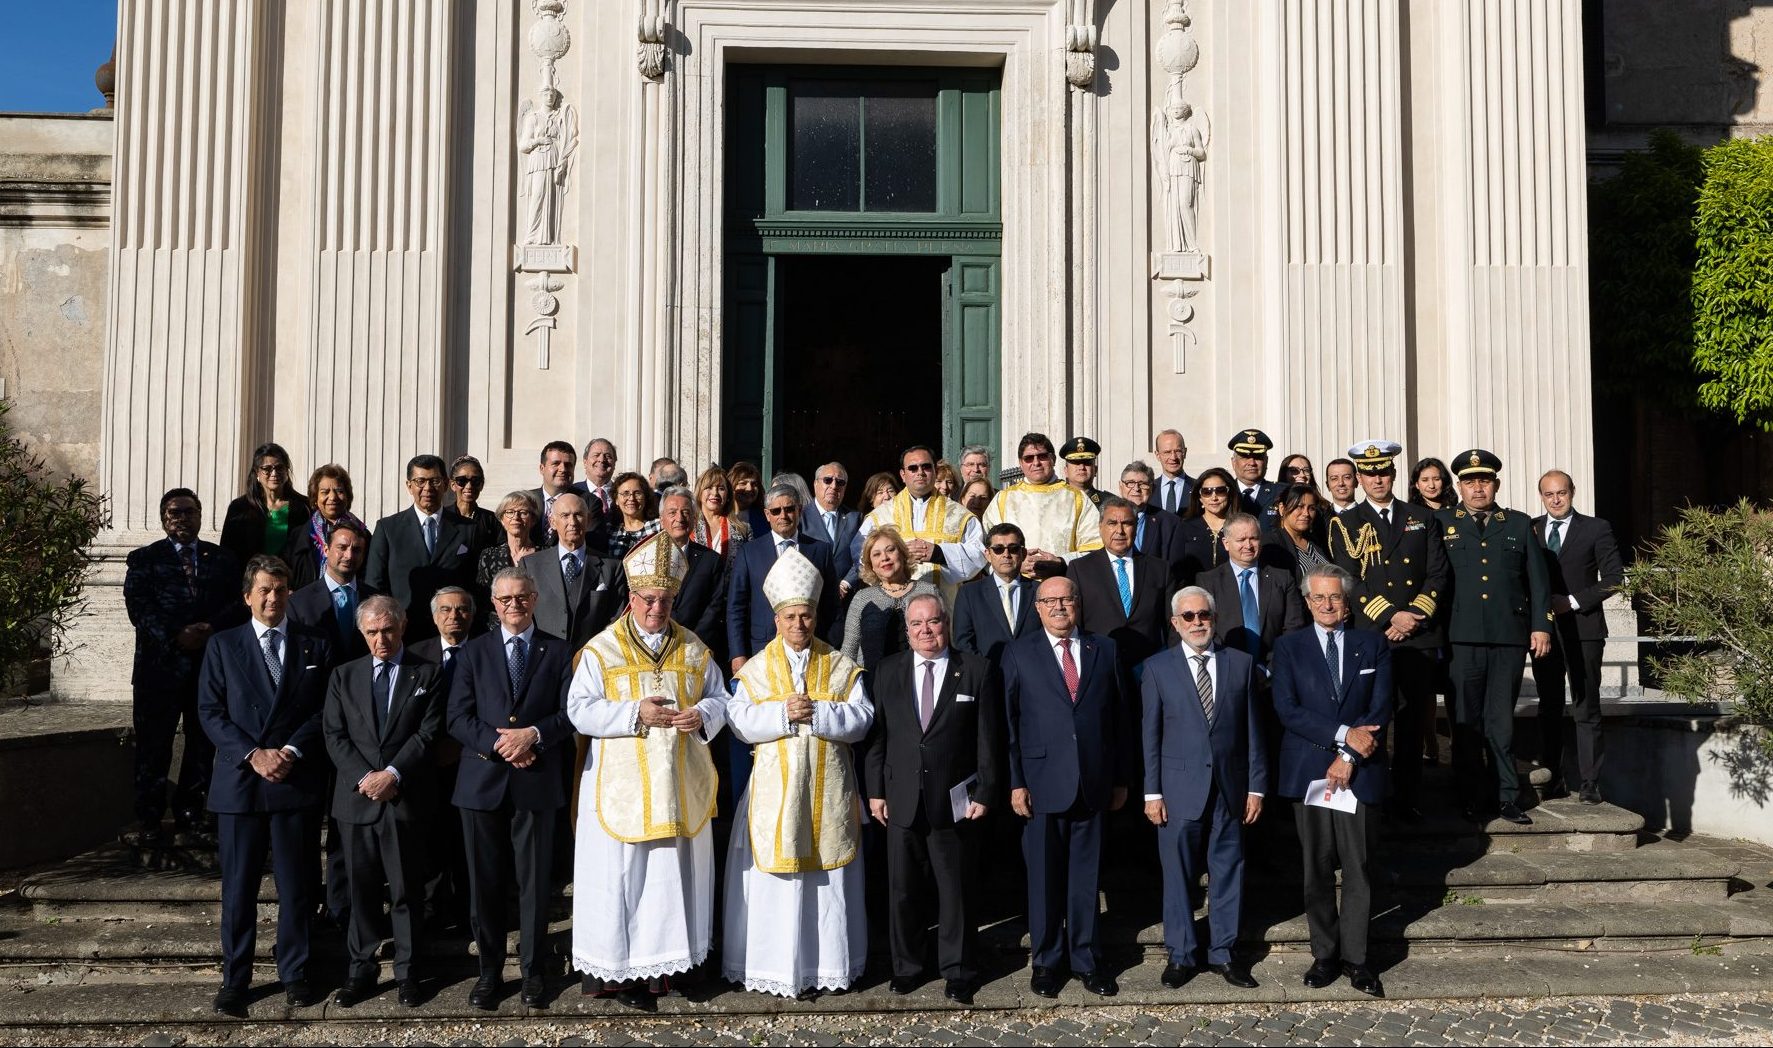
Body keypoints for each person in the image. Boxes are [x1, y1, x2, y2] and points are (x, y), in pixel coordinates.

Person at [565, 533, 729, 1009]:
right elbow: (579, 710)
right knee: (624, 877)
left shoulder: (695, 650)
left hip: (678, 782)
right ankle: (619, 975)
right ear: (631, 598)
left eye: (666, 600)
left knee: (671, 877)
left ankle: (667, 971)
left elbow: (722, 699)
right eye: (648, 599)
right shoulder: (602, 650)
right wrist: (635, 713)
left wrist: (704, 716)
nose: (657, 608)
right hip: (621, 785)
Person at [722, 549, 875, 999]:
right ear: (777, 619)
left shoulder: (841, 665)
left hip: (830, 789)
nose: (799, 625)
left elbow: (863, 717)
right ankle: (775, 968)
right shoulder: (755, 669)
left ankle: (826, 966)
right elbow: (738, 719)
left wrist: (820, 713)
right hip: (775, 791)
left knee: (827, 881)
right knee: (778, 878)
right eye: (791, 617)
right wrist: (783, 715)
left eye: (806, 616)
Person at [198, 555, 333, 1017]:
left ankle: (294, 973)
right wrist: (254, 754)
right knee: (239, 890)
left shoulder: (315, 644)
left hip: (294, 779)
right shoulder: (223, 645)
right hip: (241, 783)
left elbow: (323, 712)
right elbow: (210, 711)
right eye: (264, 591)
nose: (273, 598)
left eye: (281, 589)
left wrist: (290, 752)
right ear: (247, 596)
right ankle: (236, 979)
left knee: (297, 887)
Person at [864, 593, 1002, 1005]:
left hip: (956, 801)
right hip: (900, 797)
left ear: (947, 622)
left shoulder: (976, 670)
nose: (927, 630)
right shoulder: (888, 671)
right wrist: (875, 792)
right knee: (903, 890)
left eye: (934, 621)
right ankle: (907, 967)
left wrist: (986, 791)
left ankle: (958, 969)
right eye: (917, 624)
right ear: (907, 632)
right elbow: (878, 738)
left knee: (955, 890)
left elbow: (989, 739)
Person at [448, 567, 575, 1010]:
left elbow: (569, 714)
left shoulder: (559, 652)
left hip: (537, 783)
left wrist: (534, 736)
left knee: (535, 884)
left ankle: (533, 971)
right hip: (482, 783)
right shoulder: (473, 652)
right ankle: (488, 972)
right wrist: (503, 746)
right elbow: (458, 718)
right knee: (484, 885)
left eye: (521, 598)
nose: (513, 606)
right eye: (505, 600)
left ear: (535, 599)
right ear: (494, 604)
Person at [1003, 576, 1133, 1000]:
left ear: (1078, 603)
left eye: (1067, 599)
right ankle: (1046, 961)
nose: (1060, 607)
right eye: (1050, 601)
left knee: (1085, 877)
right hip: (1040, 786)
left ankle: (1086, 959)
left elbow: (1120, 721)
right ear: (1037, 607)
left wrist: (1119, 778)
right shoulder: (1019, 653)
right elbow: (1008, 726)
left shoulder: (1105, 649)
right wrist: (1016, 782)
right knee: (1043, 879)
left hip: (1094, 782)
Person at [1271, 563, 1393, 999]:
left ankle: (1357, 959)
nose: (1327, 604)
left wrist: (1348, 757)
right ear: (1307, 602)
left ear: (1347, 602)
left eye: (1335, 597)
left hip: (1359, 772)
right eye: (1318, 597)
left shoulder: (1371, 644)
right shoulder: (1288, 648)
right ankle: (1324, 954)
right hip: (1309, 773)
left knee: (1359, 867)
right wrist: (1344, 738)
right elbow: (1287, 709)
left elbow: (1380, 707)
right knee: (1316, 867)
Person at [322, 595, 446, 1010]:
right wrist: (365, 778)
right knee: (360, 891)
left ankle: (409, 971)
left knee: (407, 890)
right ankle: (361, 969)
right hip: (356, 801)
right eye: (373, 632)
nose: (381, 640)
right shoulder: (343, 675)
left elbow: (427, 734)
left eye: (388, 630)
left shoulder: (426, 674)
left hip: (403, 798)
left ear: (402, 626)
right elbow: (334, 735)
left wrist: (391, 775)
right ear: (362, 633)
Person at [1142, 586, 1265, 990]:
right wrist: (1152, 792)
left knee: (1229, 871)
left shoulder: (1242, 665)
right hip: (1176, 792)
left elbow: (1253, 733)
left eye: (1204, 615)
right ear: (1176, 623)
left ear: (1214, 618)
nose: (1198, 622)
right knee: (1177, 875)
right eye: (1189, 616)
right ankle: (1180, 954)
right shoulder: (1157, 668)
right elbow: (1151, 736)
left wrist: (1256, 787)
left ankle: (1223, 953)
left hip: (1230, 789)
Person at [1327, 440, 1448, 820]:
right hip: (1373, 634)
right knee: (1373, 717)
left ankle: (1409, 798)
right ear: (1360, 478)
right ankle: (1373, 795)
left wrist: (1412, 615)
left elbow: (1438, 573)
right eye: (1370, 472)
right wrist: (1389, 617)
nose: (1378, 478)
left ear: (1394, 474)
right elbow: (1348, 579)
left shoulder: (1421, 517)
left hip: (1418, 634)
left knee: (1413, 720)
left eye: (1384, 471)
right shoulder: (1345, 522)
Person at [1438, 449, 1552, 826]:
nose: (1477, 488)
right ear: (1459, 486)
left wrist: (1542, 625)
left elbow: (1538, 582)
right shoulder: (1442, 523)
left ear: (1496, 484)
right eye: (1470, 482)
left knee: (1501, 721)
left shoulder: (1519, 524)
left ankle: (1506, 796)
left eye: (1484, 481)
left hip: (1508, 637)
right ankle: (1469, 795)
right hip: (1461, 637)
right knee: (1466, 721)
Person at [123, 488, 240, 847]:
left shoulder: (222, 559)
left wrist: (209, 630)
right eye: (175, 513)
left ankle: (191, 815)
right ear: (164, 519)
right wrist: (177, 635)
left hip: (206, 669)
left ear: (201, 516)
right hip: (159, 670)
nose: (182, 519)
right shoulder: (144, 559)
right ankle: (149, 819)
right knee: (153, 746)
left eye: (189, 512)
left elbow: (238, 602)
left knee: (202, 745)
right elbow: (140, 609)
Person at [1530, 470, 1623, 805]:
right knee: (1549, 705)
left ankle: (1590, 782)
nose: (1556, 500)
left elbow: (1614, 578)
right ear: (1541, 496)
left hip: (1583, 629)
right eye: (1549, 494)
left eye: (1562, 493)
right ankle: (1551, 777)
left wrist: (1571, 601)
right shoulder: (1532, 528)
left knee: (1586, 705)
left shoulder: (1596, 528)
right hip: (1544, 633)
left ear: (1572, 492)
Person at [408, 587, 474, 931]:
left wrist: (462, 746)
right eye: (446, 610)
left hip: (471, 760)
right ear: (434, 616)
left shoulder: (483, 652)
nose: (454, 616)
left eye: (462, 610)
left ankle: (467, 908)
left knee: (467, 842)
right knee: (430, 840)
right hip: (426, 763)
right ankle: (433, 908)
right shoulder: (415, 656)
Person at [726, 483, 839, 673]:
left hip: (813, 649)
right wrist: (738, 654)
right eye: (776, 511)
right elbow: (736, 607)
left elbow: (832, 606)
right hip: (762, 649)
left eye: (789, 509)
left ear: (799, 510)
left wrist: (831, 646)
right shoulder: (749, 552)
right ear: (767, 515)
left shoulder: (820, 550)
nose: (783, 516)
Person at [364, 454, 479, 641]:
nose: (427, 488)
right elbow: (375, 585)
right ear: (409, 486)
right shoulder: (388, 528)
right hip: (404, 633)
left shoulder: (468, 529)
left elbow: (474, 584)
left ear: (445, 483)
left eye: (434, 481)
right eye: (420, 481)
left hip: (453, 632)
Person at [853, 445, 986, 602]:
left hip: (942, 605)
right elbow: (859, 555)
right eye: (913, 468)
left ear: (935, 470)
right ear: (903, 474)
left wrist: (938, 553)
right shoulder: (880, 516)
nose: (920, 473)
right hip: (892, 604)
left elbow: (979, 554)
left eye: (926, 467)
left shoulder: (960, 515)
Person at [1066, 497, 1176, 674]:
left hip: (1149, 667)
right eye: (1112, 523)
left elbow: (1172, 623)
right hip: (1099, 666)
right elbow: (1074, 622)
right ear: (1100, 526)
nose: (1120, 531)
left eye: (1127, 523)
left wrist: (1171, 662)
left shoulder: (1160, 569)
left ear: (1136, 526)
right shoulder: (1080, 569)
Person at [982, 432, 1103, 576]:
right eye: (1028, 458)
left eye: (1042, 456)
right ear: (1021, 463)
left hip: (1060, 585)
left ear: (1053, 459)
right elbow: (985, 548)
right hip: (1016, 584)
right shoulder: (1004, 499)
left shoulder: (1077, 498)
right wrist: (1015, 564)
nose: (1036, 463)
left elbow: (1094, 548)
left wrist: (1061, 561)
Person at [1196, 513, 1307, 669]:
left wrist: (1271, 669)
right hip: (1227, 669)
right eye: (1241, 540)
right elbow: (1207, 630)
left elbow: (1294, 627)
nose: (1248, 545)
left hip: (1275, 671)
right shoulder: (1208, 582)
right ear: (1226, 543)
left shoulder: (1282, 579)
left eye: (1253, 538)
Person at [530, 493, 626, 650]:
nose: (572, 522)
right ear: (552, 522)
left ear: (588, 520)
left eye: (578, 515)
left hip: (592, 658)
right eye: (565, 515)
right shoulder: (531, 565)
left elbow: (616, 619)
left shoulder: (612, 567)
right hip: (544, 658)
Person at [841, 527, 940, 671]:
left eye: (890, 550)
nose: (884, 558)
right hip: (873, 685)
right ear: (871, 566)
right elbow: (848, 651)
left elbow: (942, 641)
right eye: (876, 554)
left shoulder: (929, 591)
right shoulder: (862, 598)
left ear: (902, 554)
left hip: (922, 680)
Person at [287, 521, 376, 665]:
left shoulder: (375, 599)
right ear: (326, 550)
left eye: (357, 550)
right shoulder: (298, 603)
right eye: (342, 547)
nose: (349, 556)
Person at [952, 523, 1038, 664]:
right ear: (988, 555)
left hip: (1032, 677)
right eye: (998, 549)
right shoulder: (969, 593)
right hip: (987, 678)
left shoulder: (1039, 591)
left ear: (1023, 553)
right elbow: (963, 642)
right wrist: (984, 674)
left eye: (1013, 548)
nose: (1006, 554)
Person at [219, 441, 312, 570]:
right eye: (267, 469)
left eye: (279, 468)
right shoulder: (239, 508)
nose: (274, 474)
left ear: (286, 471)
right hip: (251, 584)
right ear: (257, 473)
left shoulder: (303, 507)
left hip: (290, 584)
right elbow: (227, 552)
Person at [659, 486, 728, 657]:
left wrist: (692, 641)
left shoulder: (711, 560)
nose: (679, 518)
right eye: (672, 512)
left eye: (686, 512)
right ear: (661, 520)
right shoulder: (647, 556)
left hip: (697, 647)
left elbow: (715, 606)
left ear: (694, 518)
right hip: (656, 644)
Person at [477, 491, 542, 631]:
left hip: (536, 628)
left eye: (523, 512)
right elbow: (483, 600)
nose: (516, 518)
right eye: (510, 512)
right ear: (502, 519)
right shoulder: (489, 556)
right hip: (496, 630)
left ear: (533, 520)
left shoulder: (545, 554)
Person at [294, 464, 366, 588]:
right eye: (325, 492)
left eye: (339, 491)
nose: (332, 497)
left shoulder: (363, 535)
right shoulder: (299, 537)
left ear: (347, 497)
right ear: (315, 498)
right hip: (309, 603)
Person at [801, 461, 863, 585]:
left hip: (845, 596)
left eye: (840, 482)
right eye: (828, 480)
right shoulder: (800, 517)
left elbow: (862, 556)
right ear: (815, 484)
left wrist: (846, 583)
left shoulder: (855, 519)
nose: (834, 486)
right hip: (810, 592)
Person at [1176, 466, 1236, 585]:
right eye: (1207, 492)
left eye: (1220, 490)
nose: (1214, 497)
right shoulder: (1185, 527)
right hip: (1194, 596)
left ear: (1229, 494)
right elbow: (1177, 569)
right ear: (1200, 497)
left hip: (1230, 594)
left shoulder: (1239, 527)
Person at [1262, 483, 1332, 580]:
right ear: (1282, 509)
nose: (1306, 513)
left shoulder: (1315, 541)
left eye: (1311, 508)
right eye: (1299, 506)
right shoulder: (1273, 543)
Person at [691, 465, 752, 566]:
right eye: (709, 487)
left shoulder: (743, 529)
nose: (715, 493)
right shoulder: (688, 525)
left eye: (721, 488)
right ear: (699, 493)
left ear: (728, 495)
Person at [447, 455, 503, 559]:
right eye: (462, 481)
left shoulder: (492, 521)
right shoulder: (442, 517)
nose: (469, 486)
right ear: (453, 485)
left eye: (475, 481)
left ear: (481, 485)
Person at [529, 440, 583, 548]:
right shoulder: (527, 500)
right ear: (542, 468)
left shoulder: (587, 502)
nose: (563, 469)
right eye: (555, 464)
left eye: (568, 465)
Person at [1226, 429, 1281, 522]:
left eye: (1258, 457)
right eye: (1245, 457)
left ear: (1266, 461)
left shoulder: (1281, 493)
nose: (1252, 463)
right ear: (1233, 462)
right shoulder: (1222, 494)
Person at [606, 471, 662, 561]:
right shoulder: (610, 531)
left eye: (637, 493)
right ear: (616, 499)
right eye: (625, 493)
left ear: (646, 497)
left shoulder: (658, 527)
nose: (631, 498)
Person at [575, 438, 619, 518]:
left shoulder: (622, 492)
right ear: (585, 462)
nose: (602, 460)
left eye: (608, 456)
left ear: (614, 463)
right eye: (596, 455)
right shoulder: (573, 492)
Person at [1153, 429, 1194, 515]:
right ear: (1157, 455)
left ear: (1185, 453)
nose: (1173, 457)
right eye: (1167, 452)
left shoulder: (1199, 488)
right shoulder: (1148, 490)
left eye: (1178, 451)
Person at [1061, 437, 1110, 509]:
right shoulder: (1055, 501)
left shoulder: (1109, 503)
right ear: (1066, 471)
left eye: (1087, 463)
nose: (1082, 467)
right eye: (1076, 463)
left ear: (1095, 470)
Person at [727, 460, 768, 536]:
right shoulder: (722, 515)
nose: (749, 488)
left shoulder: (765, 517)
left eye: (754, 484)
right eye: (743, 483)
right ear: (731, 486)